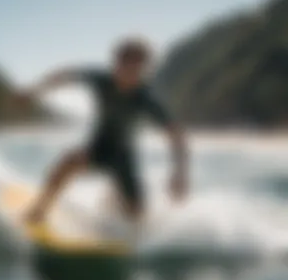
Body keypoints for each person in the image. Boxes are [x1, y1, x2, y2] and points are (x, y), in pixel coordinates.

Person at [22, 37, 188, 235]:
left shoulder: (146, 99)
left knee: (138, 218)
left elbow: (175, 134)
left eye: (137, 68)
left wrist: (179, 173)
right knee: (70, 160)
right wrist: (35, 90)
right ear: (116, 63)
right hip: (99, 147)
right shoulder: (101, 80)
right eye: (126, 65)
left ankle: (114, 199)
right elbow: (66, 75)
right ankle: (39, 209)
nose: (130, 73)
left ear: (145, 69)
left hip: (124, 157)